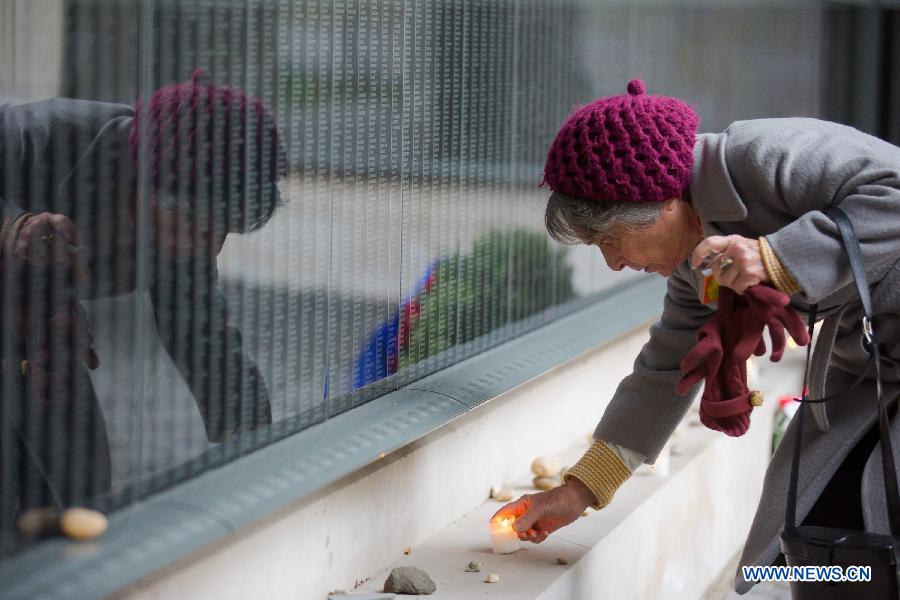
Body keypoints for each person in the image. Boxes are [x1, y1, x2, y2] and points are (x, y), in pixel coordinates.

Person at [494, 79, 900, 594]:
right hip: (869, 373)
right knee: (824, 533)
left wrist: (777, 256)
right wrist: (579, 490)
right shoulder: (694, 264)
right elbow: (665, 369)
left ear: (662, 203)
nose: (614, 263)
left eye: (610, 241)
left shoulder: (767, 156)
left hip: (874, 365)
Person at [0, 70, 286, 530]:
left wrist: (254, 444)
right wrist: (13, 227)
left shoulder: (182, 229)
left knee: (80, 502)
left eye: (225, 227)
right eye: (200, 221)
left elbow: (200, 331)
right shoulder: (39, 137)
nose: (211, 246)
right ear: (145, 184)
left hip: (41, 350)